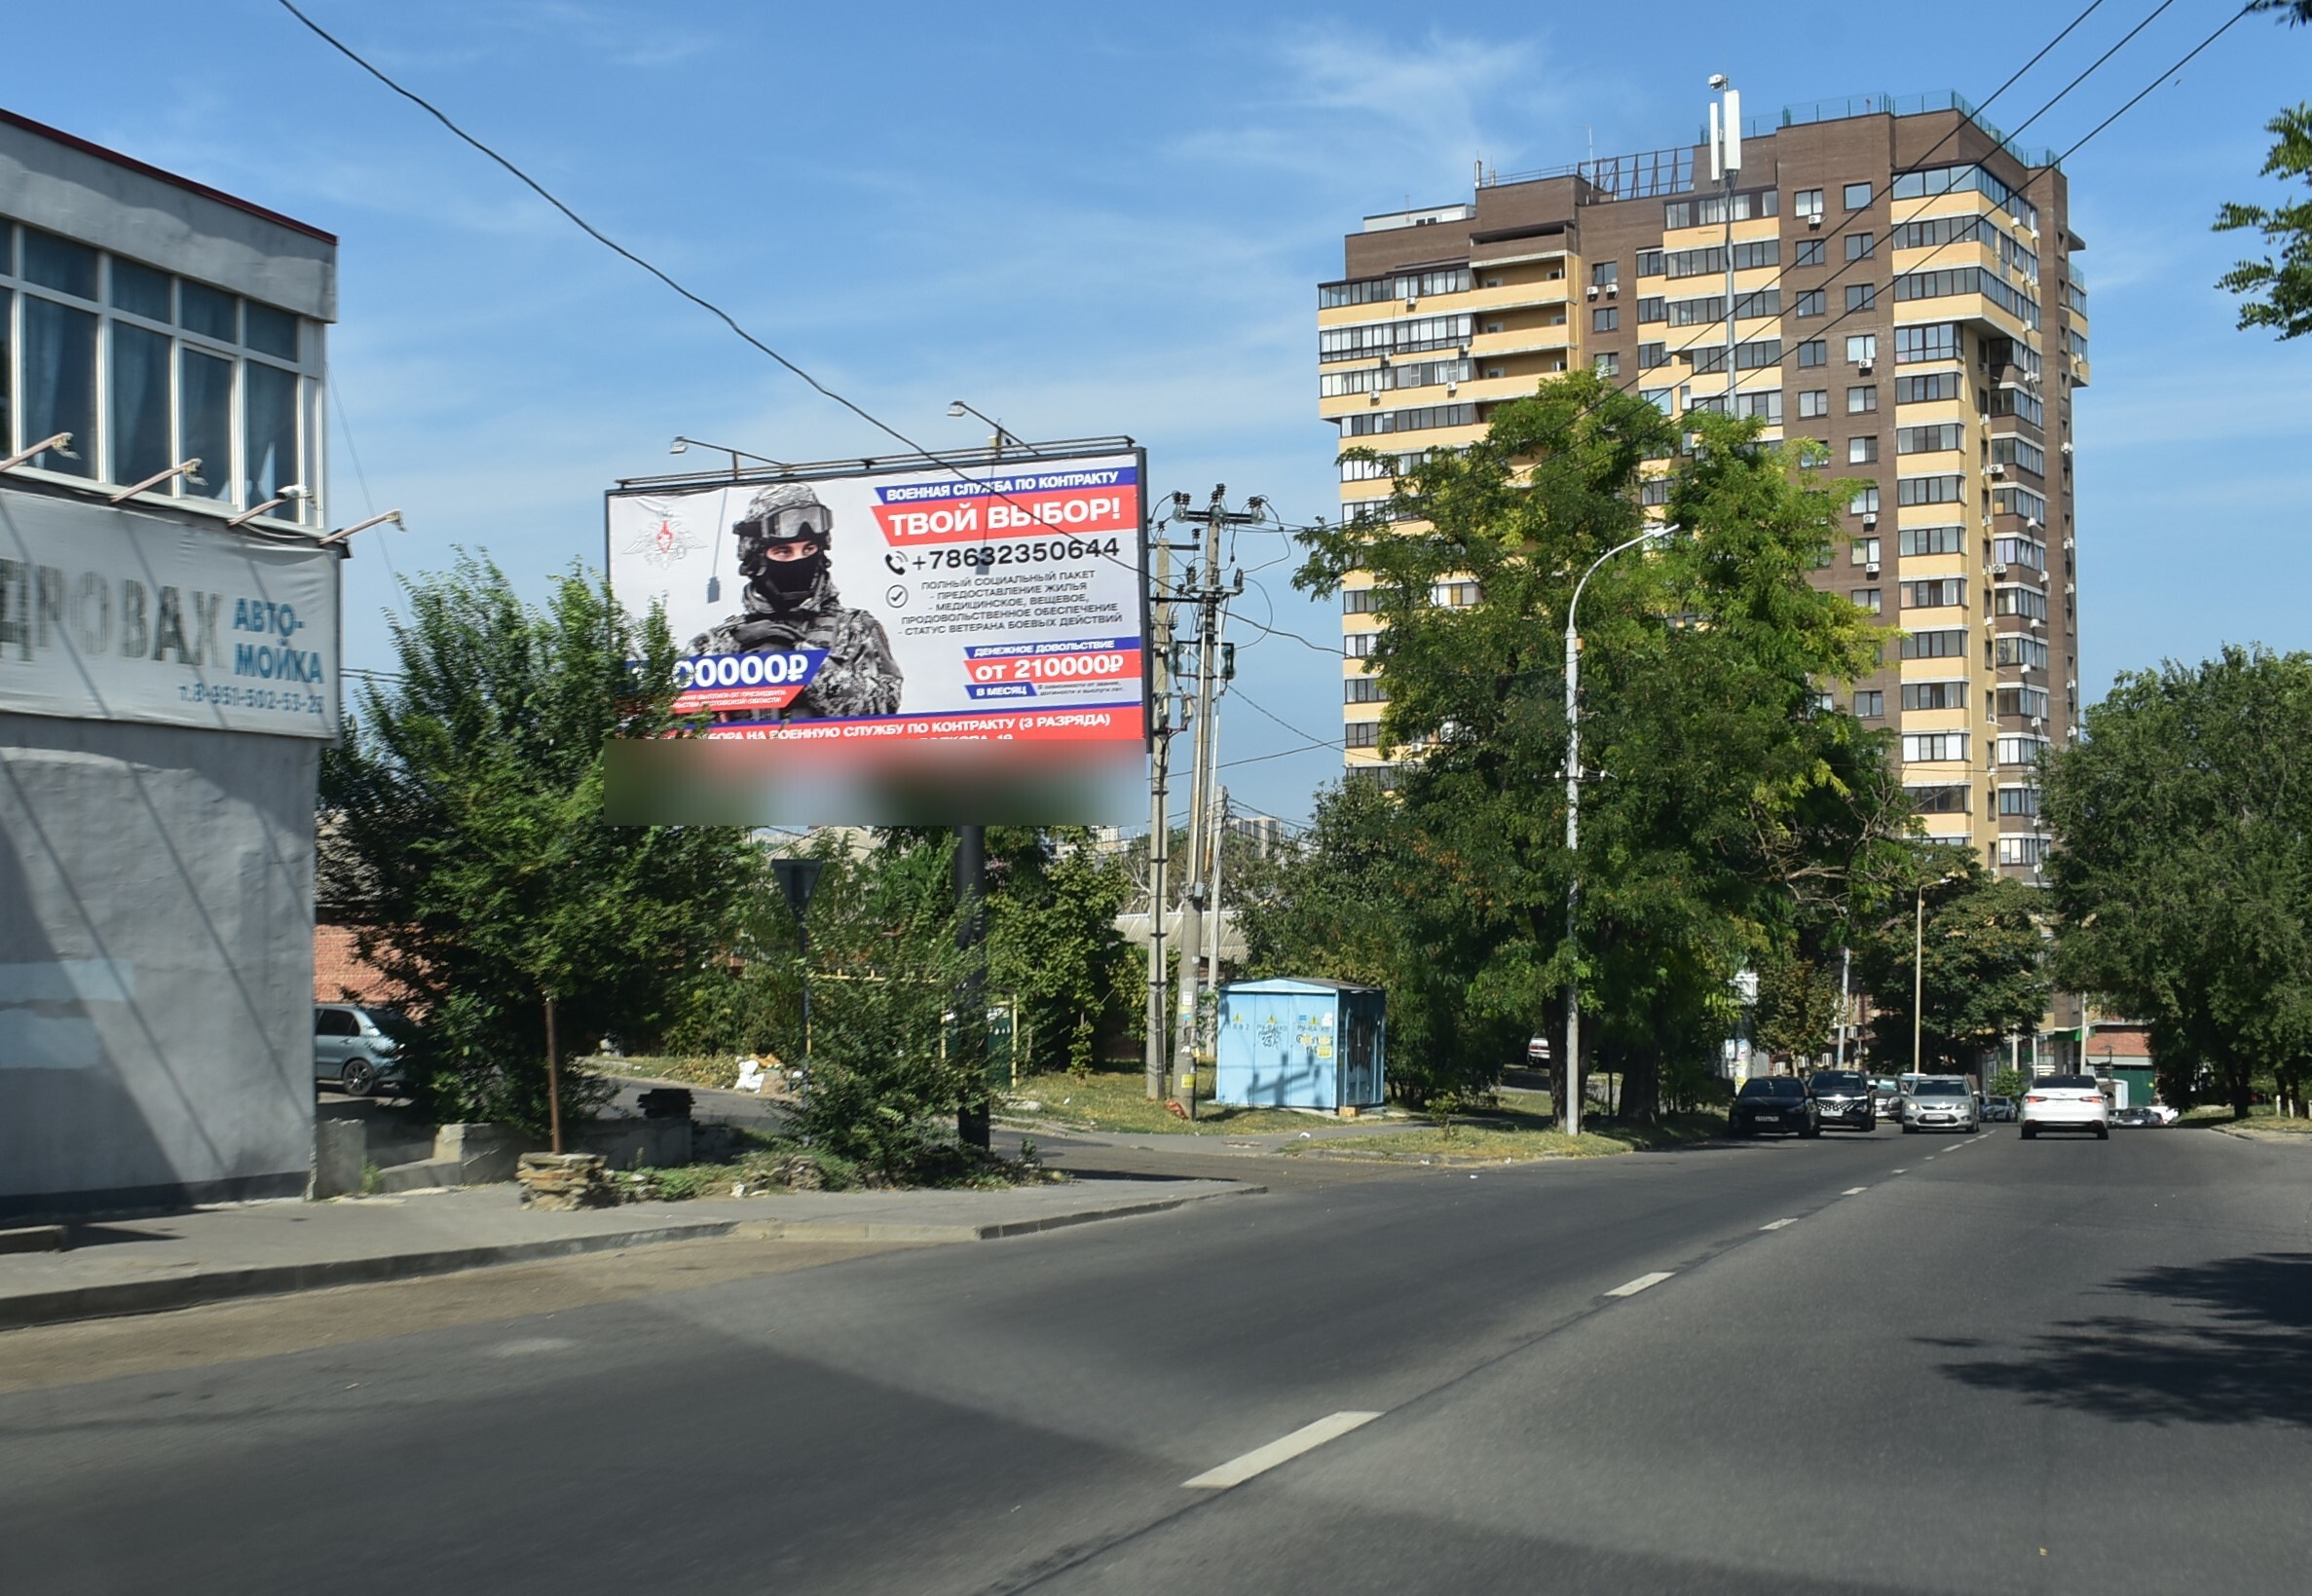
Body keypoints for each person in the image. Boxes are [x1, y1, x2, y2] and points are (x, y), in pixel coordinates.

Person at [690, 483, 902, 720]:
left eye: (809, 549)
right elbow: (671, 720)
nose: (798, 561)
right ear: (756, 559)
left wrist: (803, 663)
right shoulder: (716, 643)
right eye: (783, 552)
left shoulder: (855, 628)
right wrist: (729, 659)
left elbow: (883, 707)